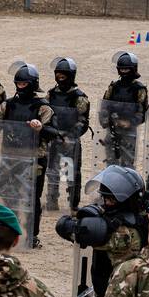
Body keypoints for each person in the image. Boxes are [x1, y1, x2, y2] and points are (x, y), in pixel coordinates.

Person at [0, 63, 57, 246]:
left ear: (32, 84)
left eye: (24, 84)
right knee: (8, 196)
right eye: (18, 83)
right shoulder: (7, 105)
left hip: (34, 158)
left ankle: (31, 234)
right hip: (9, 157)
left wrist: (41, 128)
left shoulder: (43, 108)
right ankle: (9, 231)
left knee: (31, 197)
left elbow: (54, 133)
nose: (20, 87)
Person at [55, 165, 149, 297]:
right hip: (136, 290)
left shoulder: (122, 233)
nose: (105, 203)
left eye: (110, 200)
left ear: (125, 201)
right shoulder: (145, 219)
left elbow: (63, 226)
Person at [44, 56, 91, 211]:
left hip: (70, 140)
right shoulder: (51, 94)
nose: (60, 77)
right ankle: (51, 200)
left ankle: (73, 203)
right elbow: (45, 114)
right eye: (58, 73)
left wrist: (70, 136)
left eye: (63, 74)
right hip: (53, 137)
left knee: (70, 171)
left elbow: (83, 121)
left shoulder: (79, 97)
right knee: (52, 170)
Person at [100, 51, 149, 168]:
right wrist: (106, 120)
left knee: (128, 165)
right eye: (122, 69)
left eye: (127, 69)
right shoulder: (113, 87)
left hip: (129, 132)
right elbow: (104, 106)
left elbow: (142, 112)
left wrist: (130, 123)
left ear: (133, 69)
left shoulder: (139, 89)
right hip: (112, 129)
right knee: (110, 163)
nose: (124, 72)